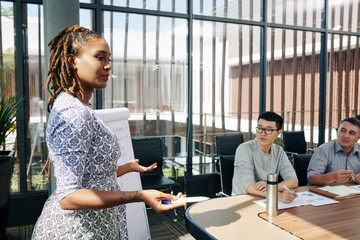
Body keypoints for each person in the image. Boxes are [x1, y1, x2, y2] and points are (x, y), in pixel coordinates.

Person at [32, 25, 185, 239]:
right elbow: (69, 197)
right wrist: (139, 195)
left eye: (108, 58)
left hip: (94, 226)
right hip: (74, 232)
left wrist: (126, 168)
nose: (108, 66)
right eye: (100, 57)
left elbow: (90, 177)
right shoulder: (74, 112)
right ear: (72, 61)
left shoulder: (80, 108)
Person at [231, 111, 298, 203]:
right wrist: (278, 195)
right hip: (243, 202)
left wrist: (271, 187)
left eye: (269, 130)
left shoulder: (279, 151)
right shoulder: (244, 149)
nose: (263, 133)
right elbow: (249, 187)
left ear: (278, 132)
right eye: (260, 128)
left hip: (266, 200)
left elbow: (293, 181)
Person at [307, 117, 360, 185]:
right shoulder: (324, 150)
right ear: (337, 132)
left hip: (353, 193)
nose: (346, 136)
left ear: (358, 138)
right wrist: (331, 177)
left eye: (352, 133)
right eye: (343, 131)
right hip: (326, 193)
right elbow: (311, 179)